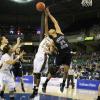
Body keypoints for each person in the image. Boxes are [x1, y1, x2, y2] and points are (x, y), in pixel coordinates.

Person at [44, 8, 72, 92]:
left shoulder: (59, 32)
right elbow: (52, 51)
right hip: (61, 55)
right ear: (50, 33)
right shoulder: (53, 40)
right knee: (53, 71)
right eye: (49, 30)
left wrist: (49, 14)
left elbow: (55, 22)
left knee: (66, 71)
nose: (51, 29)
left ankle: (63, 84)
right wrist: (51, 48)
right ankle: (45, 83)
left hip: (68, 53)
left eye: (51, 29)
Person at [30, 11, 55, 99]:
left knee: (38, 74)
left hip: (43, 57)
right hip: (37, 56)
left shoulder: (52, 41)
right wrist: (46, 16)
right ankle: (35, 89)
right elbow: (46, 24)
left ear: (53, 33)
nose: (49, 30)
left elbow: (51, 52)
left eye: (51, 30)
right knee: (35, 73)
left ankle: (35, 91)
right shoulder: (46, 37)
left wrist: (47, 51)